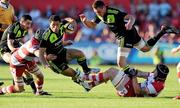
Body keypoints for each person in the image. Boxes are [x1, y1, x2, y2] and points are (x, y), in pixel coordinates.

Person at [79, 0, 178, 73]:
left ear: (104, 7)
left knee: (121, 63)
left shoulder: (113, 12)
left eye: (99, 11)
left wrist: (130, 23)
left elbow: (131, 17)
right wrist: (84, 22)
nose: (98, 13)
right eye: (96, 12)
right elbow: (92, 25)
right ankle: (163, 31)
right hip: (130, 33)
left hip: (125, 34)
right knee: (146, 48)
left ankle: (136, 77)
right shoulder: (100, 14)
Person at [39, 15, 99, 88]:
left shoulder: (63, 25)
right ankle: (85, 84)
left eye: (57, 24)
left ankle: (86, 70)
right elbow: (41, 52)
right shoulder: (46, 36)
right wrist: (45, 63)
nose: (55, 27)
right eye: (53, 25)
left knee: (80, 53)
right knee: (74, 74)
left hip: (62, 51)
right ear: (49, 24)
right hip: (55, 61)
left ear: (60, 23)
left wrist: (72, 21)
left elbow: (72, 28)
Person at [0, 29, 51, 95]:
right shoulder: (33, 44)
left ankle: (39, 92)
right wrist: (46, 57)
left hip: (27, 60)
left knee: (40, 76)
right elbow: (37, 53)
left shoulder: (39, 41)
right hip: (17, 63)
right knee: (19, 89)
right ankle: (2, 90)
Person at [77, 64, 169, 97]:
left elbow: (138, 92)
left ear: (159, 74)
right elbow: (142, 73)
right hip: (131, 88)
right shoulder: (155, 77)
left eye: (156, 70)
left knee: (111, 72)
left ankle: (84, 77)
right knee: (111, 73)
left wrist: (133, 76)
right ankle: (89, 86)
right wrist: (133, 71)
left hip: (131, 93)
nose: (154, 71)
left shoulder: (158, 86)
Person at [0, 14, 36, 93]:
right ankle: (30, 85)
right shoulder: (14, 28)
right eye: (27, 23)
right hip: (5, 49)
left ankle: (34, 89)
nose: (29, 25)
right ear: (22, 22)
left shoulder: (25, 29)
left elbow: (18, 41)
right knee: (14, 62)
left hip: (16, 47)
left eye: (30, 23)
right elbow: (9, 43)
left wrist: (24, 48)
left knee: (24, 65)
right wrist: (14, 51)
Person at [0, 0, 17, 85]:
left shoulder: (11, 7)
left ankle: (16, 81)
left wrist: (14, 20)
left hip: (8, 35)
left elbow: (12, 21)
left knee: (14, 57)